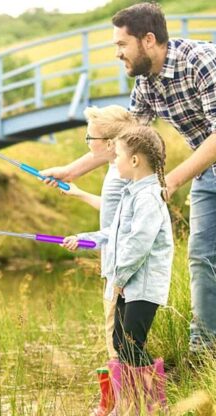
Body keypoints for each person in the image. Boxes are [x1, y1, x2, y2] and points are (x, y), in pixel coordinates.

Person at [42, 2, 216, 354]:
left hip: (199, 167)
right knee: (201, 257)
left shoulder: (201, 63)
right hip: (208, 173)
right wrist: (70, 171)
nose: (118, 54)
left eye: (122, 45)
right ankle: (206, 347)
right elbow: (123, 143)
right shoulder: (146, 84)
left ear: (148, 40)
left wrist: (174, 180)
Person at [63, 125, 173, 414]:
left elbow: (138, 243)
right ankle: (136, 403)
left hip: (141, 286)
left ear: (135, 160)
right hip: (127, 284)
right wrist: (84, 239)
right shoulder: (131, 194)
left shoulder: (148, 197)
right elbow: (115, 233)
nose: (115, 161)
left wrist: (120, 279)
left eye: (118, 155)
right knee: (120, 342)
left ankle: (153, 404)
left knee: (132, 343)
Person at [60, 105, 136, 415]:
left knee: (114, 336)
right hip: (114, 267)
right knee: (118, 334)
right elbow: (114, 210)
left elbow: (117, 228)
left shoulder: (119, 175)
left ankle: (121, 405)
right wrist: (78, 193)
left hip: (118, 269)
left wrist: (85, 240)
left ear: (106, 143)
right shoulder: (116, 171)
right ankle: (118, 401)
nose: (86, 140)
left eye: (89, 136)